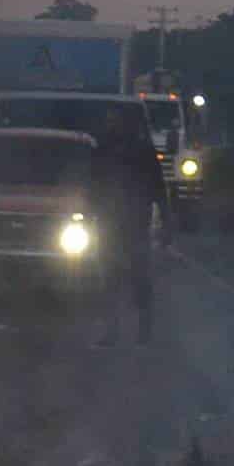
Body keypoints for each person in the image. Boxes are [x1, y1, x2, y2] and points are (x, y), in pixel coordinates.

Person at [87, 111, 160, 346]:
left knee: (124, 278)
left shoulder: (124, 152)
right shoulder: (108, 151)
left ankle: (138, 330)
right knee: (117, 278)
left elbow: (157, 187)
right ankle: (131, 330)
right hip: (119, 223)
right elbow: (93, 186)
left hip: (128, 222)